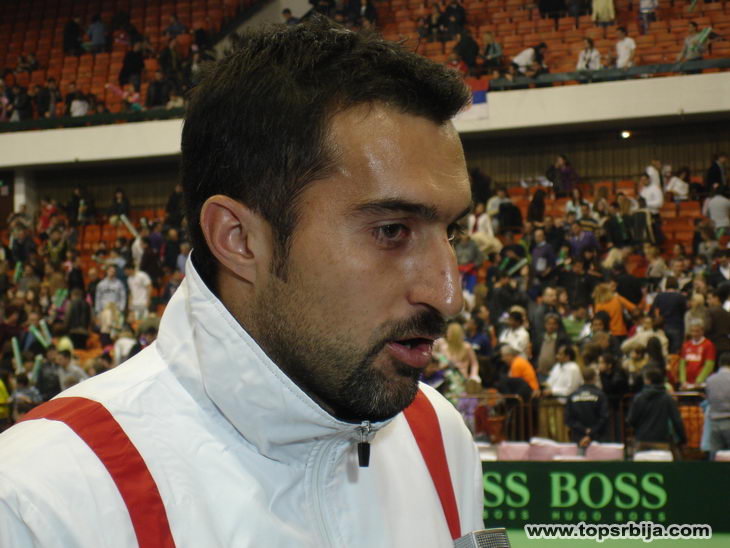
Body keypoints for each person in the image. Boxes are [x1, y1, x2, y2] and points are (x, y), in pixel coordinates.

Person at [0, 21, 484, 546]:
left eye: (452, 231)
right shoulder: (41, 503)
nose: (448, 295)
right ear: (238, 239)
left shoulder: (439, 437)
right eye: (391, 231)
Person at [628, 367, 686, 455]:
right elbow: (677, 420)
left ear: (648, 381)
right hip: (662, 441)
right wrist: (682, 439)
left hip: (642, 439)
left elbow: (631, 420)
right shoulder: (667, 398)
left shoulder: (638, 398)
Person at [565, 368, 609, 448]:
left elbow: (568, 419)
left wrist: (583, 429)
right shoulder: (600, 395)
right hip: (597, 437)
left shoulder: (572, 396)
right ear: (594, 377)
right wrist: (591, 432)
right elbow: (604, 417)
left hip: (578, 437)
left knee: (579, 456)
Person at [678, 319, 716, 389]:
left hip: (701, 384)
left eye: (697, 331)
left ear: (702, 331)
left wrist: (699, 381)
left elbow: (709, 365)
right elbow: (682, 365)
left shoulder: (708, 345)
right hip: (687, 384)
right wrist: (683, 381)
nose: (694, 334)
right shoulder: (686, 345)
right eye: (692, 331)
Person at [705, 352, 730, 456]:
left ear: (719, 364)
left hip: (714, 422)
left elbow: (708, 400)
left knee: (715, 458)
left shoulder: (710, 380)